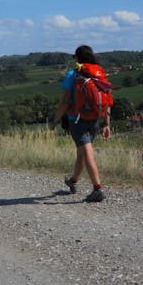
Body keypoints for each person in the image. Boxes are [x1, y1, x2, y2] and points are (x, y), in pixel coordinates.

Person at [49, 45, 111, 203]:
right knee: (82, 152)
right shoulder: (99, 72)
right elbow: (107, 99)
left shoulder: (73, 74)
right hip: (96, 119)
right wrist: (106, 124)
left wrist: (55, 121)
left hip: (77, 120)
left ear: (77, 58)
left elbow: (64, 102)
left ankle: (97, 189)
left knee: (87, 152)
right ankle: (73, 181)